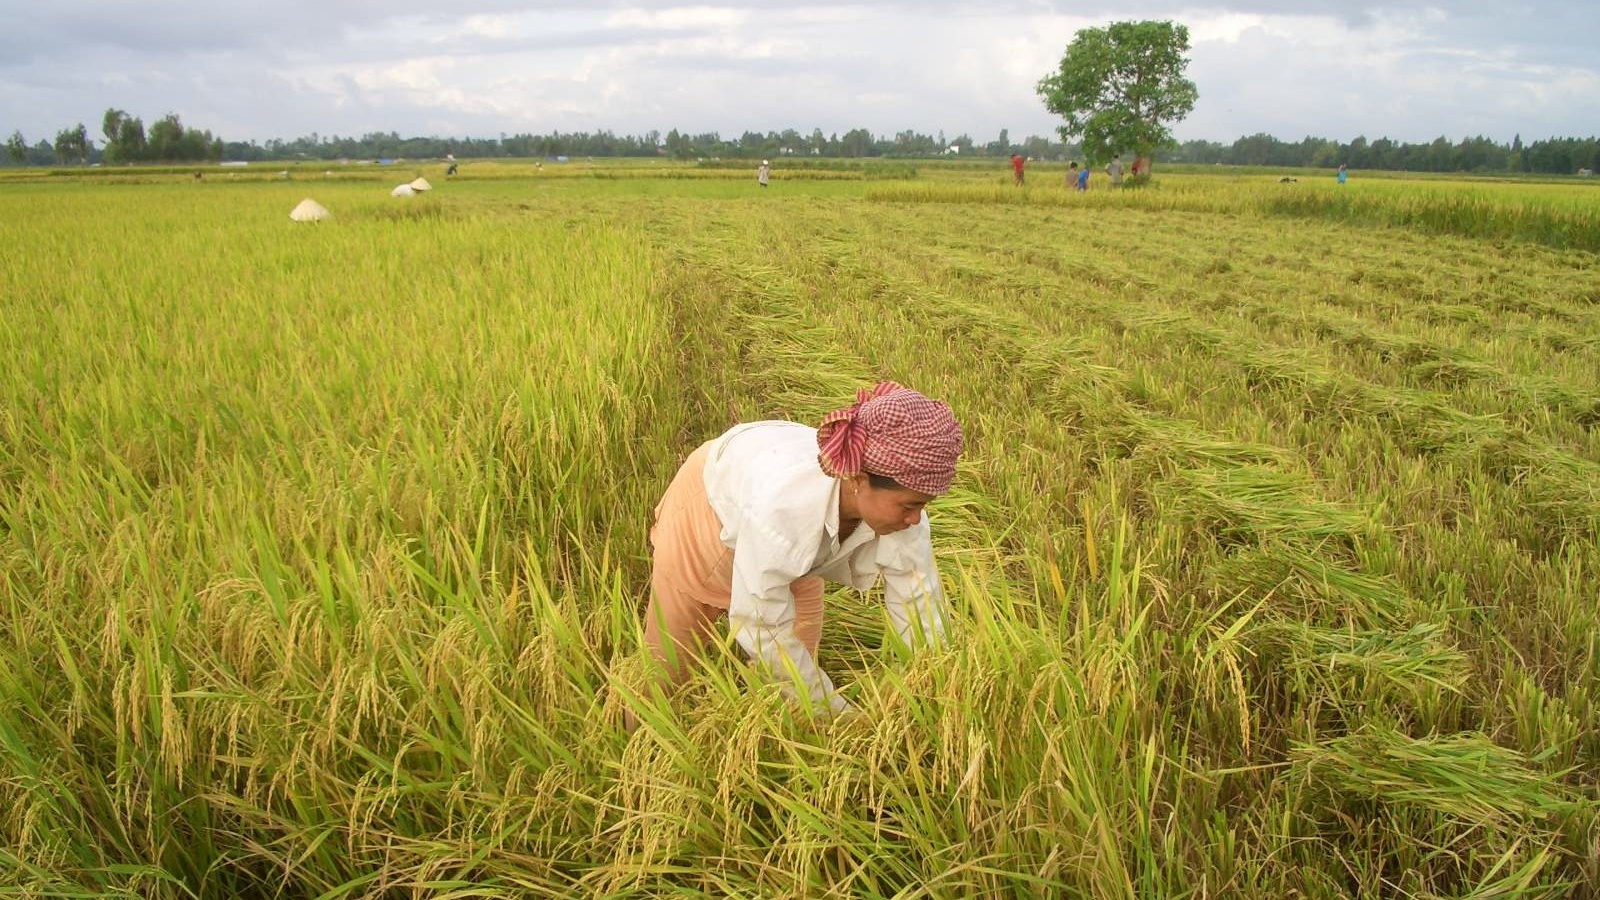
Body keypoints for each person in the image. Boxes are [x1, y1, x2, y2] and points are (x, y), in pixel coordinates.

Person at [636, 381, 963, 725]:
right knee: (666, 670)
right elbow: (761, 626)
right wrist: (839, 717)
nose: (915, 519)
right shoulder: (782, 511)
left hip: (788, 523)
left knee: (800, 668)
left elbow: (920, 607)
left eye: (923, 506)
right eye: (909, 506)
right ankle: (636, 734)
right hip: (710, 512)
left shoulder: (906, 515)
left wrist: (931, 690)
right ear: (859, 479)